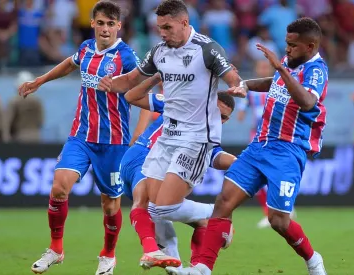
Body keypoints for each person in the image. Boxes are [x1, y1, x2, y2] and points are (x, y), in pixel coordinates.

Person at [166, 17, 329, 275]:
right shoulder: (290, 62)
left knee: (279, 222)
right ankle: (202, 268)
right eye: (286, 44)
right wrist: (246, 84)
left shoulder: (316, 70)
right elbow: (274, 82)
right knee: (223, 202)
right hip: (260, 146)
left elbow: (308, 102)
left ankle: (312, 259)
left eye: (293, 45)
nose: (287, 49)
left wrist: (281, 68)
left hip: (288, 151)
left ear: (310, 47)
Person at [97, 0, 245, 267]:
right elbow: (131, 81)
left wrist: (236, 85)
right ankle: (176, 254)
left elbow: (230, 73)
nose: (162, 33)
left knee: (163, 208)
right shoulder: (159, 52)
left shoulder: (206, 48)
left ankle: (215, 214)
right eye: (159, 28)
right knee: (154, 208)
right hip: (167, 138)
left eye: (167, 27)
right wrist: (109, 83)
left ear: (184, 23)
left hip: (196, 139)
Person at [18, 2, 141, 274]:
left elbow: (142, 85)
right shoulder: (86, 48)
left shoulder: (127, 56)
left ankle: (108, 255)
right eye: (101, 23)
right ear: (92, 23)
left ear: (118, 26)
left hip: (114, 142)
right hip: (81, 135)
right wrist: (41, 80)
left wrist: (145, 101)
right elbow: (69, 64)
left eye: (111, 24)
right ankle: (56, 248)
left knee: (110, 205)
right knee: (59, 187)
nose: (105, 29)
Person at [119, 74, 237, 269]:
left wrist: (241, 164)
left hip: (159, 170)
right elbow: (131, 96)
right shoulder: (180, 104)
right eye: (216, 111)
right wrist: (155, 76)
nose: (218, 118)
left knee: (189, 224)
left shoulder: (208, 134)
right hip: (142, 156)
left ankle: (192, 269)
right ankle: (214, 213)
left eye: (223, 117)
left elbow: (215, 155)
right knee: (148, 202)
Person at [237, 60, 297, 229]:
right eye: (260, 67)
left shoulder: (278, 87)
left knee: (277, 174)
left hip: (277, 137)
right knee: (258, 175)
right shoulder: (251, 91)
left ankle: (283, 208)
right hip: (256, 136)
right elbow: (241, 111)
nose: (263, 69)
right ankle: (268, 211)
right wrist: (240, 109)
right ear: (256, 70)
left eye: (265, 67)